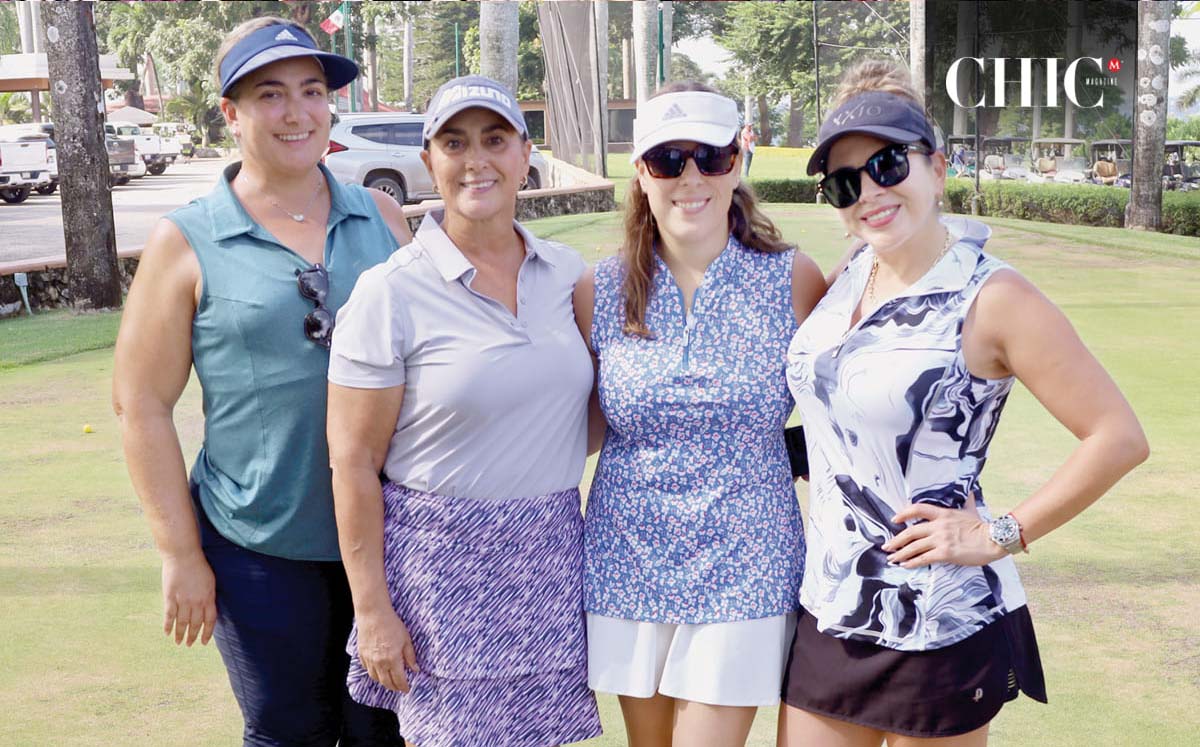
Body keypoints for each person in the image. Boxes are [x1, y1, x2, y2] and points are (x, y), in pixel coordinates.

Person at [780, 60, 1149, 746]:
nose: (869, 191)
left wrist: (994, 533)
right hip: (829, 605)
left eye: (889, 164)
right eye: (844, 182)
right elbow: (845, 415)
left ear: (938, 167)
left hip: (935, 614)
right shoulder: (847, 278)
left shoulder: (994, 297)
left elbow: (1118, 435)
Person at [112, 17, 411, 747]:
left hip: (394, 540)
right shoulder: (186, 238)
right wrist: (180, 554)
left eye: (312, 92)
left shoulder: (381, 215)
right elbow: (141, 404)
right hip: (258, 546)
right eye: (270, 94)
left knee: (392, 734)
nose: (297, 112)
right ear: (231, 113)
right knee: (288, 732)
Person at [325, 74, 603, 747]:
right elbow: (354, 461)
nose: (476, 159)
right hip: (440, 571)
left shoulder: (568, 273)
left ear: (524, 151)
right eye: (455, 142)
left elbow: (592, 411)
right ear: (429, 161)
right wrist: (372, 611)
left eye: (495, 139)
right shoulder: (390, 291)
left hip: (551, 557)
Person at [576, 82, 826, 747]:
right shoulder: (597, 288)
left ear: (737, 162)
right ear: (641, 173)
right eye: (669, 160)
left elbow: (849, 406)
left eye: (710, 158)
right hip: (627, 553)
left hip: (748, 556)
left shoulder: (794, 278)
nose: (691, 178)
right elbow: (570, 416)